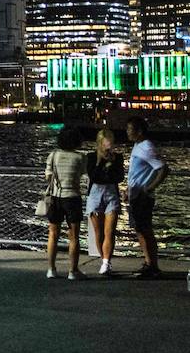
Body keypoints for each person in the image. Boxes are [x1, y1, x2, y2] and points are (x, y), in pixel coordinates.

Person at [125, 116, 168, 280]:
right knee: (140, 229)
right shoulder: (138, 146)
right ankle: (149, 262)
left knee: (145, 230)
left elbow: (163, 168)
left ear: (139, 131)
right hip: (135, 195)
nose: (127, 132)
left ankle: (153, 266)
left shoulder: (146, 147)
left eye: (130, 129)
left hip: (142, 196)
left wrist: (149, 188)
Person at [44, 125, 88, 280]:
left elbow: (48, 176)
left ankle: (51, 269)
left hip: (56, 197)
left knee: (53, 234)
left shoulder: (53, 155)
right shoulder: (80, 157)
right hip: (72, 197)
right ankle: (73, 271)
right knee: (74, 236)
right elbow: (83, 173)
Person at [86, 128, 123, 276]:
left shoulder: (118, 158)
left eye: (110, 144)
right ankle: (104, 260)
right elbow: (94, 176)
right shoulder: (91, 157)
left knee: (110, 232)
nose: (108, 147)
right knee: (98, 232)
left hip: (111, 195)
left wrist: (110, 167)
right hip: (95, 196)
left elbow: (119, 177)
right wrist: (102, 163)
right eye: (106, 144)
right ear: (100, 143)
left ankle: (106, 262)